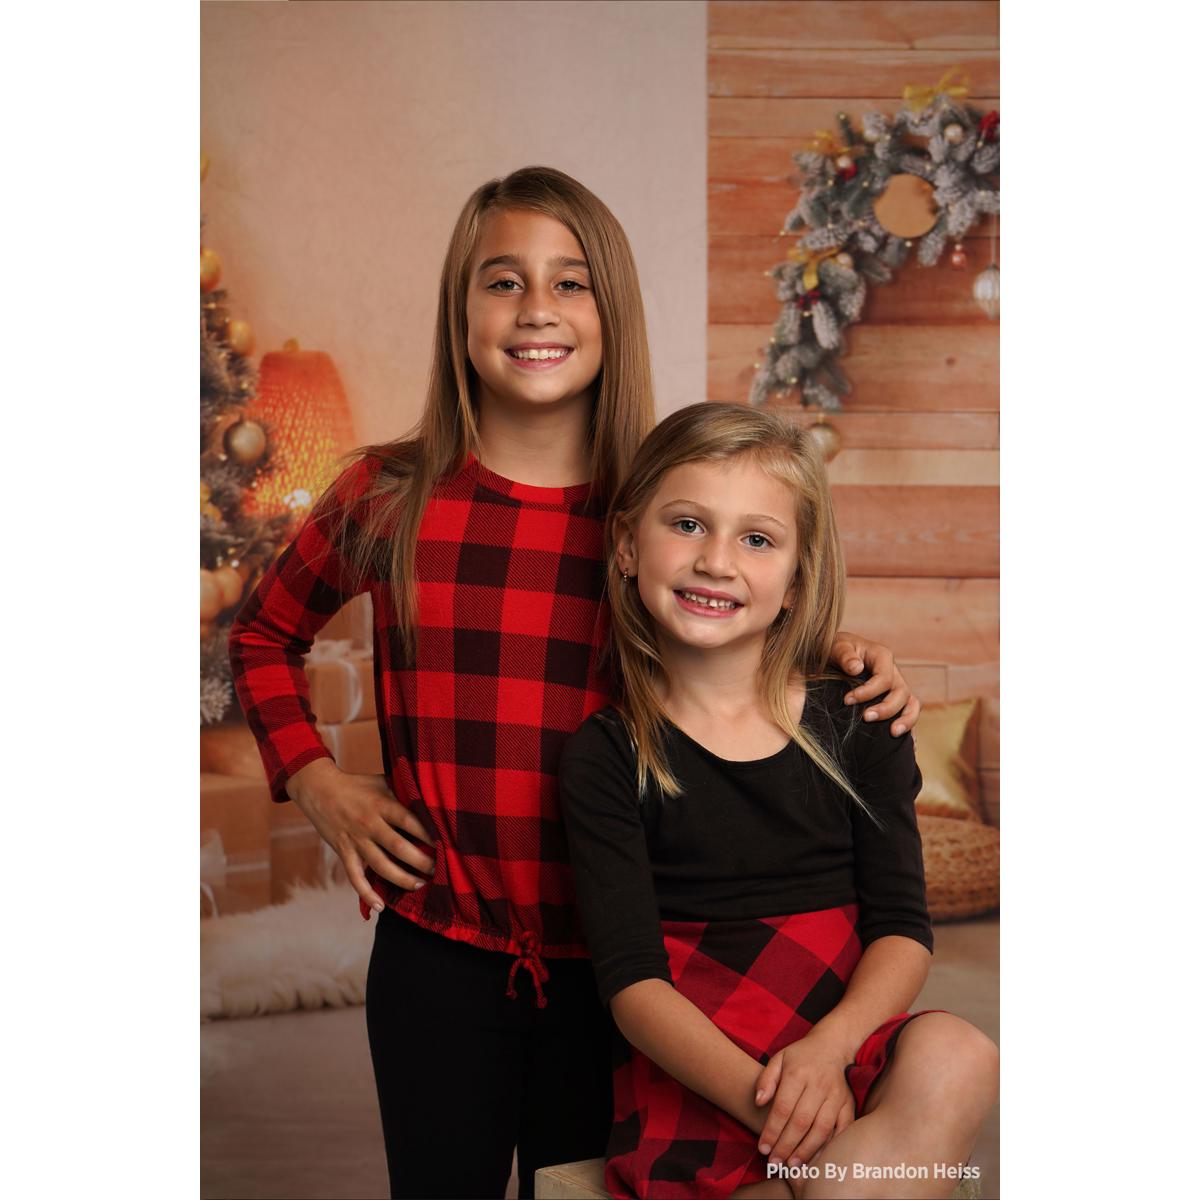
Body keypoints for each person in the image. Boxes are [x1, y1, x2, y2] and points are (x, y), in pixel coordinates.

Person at [227, 167, 921, 1200]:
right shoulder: (388, 495)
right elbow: (261, 634)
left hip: (630, 973)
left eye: (571, 283)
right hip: (439, 955)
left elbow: (740, 617)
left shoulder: (661, 508)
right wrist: (319, 783)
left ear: (613, 312)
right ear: (461, 310)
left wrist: (843, 650)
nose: (537, 309)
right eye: (503, 281)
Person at [558, 402, 999, 1200]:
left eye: (756, 539)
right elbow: (633, 986)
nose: (716, 561)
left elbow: (902, 929)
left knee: (963, 1055)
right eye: (687, 525)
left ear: (796, 581)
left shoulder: (861, 722)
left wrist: (829, 1053)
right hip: (709, 1069)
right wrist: (777, 1106)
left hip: (845, 1040)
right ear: (627, 546)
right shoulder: (608, 753)